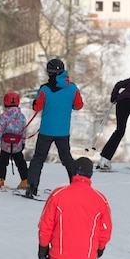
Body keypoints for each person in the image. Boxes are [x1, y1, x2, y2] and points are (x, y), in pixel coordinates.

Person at [26, 58, 83, 199]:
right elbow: (78, 106)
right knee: (67, 159)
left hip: (46, 130)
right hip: (63, 131)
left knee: (38, 159)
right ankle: (77, 186)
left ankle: (31, 188)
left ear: (49, 72)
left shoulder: (44, 89)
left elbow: (36, 107)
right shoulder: (72, 88)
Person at [0, 91, 30, 190]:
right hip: (17, 145)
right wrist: (23, 142)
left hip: (6, 145)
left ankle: (0, 180)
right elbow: (24, 131)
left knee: (2, 163)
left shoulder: (3, 117)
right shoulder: (21, 116)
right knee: (21, 162)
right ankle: (25, 180)